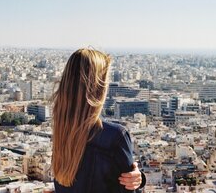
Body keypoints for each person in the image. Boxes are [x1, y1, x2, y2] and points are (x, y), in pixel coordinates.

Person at [52, 48, 146, 192]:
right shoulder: (115, 137)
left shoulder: (62, 133)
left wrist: (138, 179)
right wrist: (139, 182)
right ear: (99, 87)